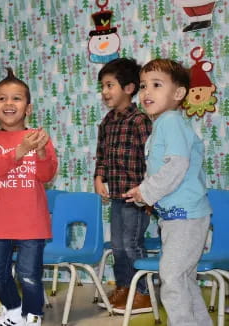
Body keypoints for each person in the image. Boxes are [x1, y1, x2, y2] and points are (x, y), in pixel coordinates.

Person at [123, 59, 213, 326]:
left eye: (156, 85)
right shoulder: (164, 125)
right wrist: (145, 194)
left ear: (178, 94)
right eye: (143, 86)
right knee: (182, 279)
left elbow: (177, 164)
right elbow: (168, 170)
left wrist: (146, 191)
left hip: (185, 217)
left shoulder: (170, 120)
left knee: (172, 278)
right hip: (180, 217)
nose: (146, 92)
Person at [0, 68, 58, 326]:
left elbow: (46, 175)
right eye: (2, 98)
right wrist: (21, 149)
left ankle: (33, 316)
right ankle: (13, 311)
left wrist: (39, 153)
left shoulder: (39, 136)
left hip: (32, 222)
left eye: (16, 98)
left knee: (29, 274)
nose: (9, 103)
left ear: (28, 107)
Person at [94, 58, 153, 313]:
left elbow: (152, 159)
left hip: (137, 197)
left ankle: (142, 293)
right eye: (102, 86)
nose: (105, 92)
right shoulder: (107, 122)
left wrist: (150, 195)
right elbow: (102, 155)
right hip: (117, 195)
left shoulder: (140, 120)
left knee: (132, 244)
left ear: (129, 88)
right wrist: (99, 178)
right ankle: (123, 287)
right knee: (118, 245)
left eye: (110, 85)